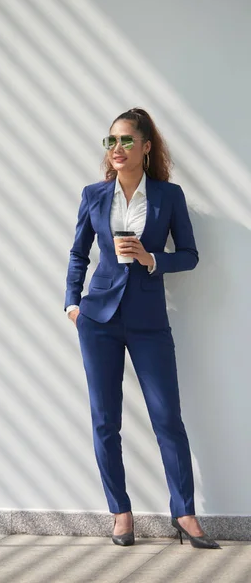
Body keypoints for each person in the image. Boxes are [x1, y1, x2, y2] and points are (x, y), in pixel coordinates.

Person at [64, 108, 221, 549]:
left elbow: (189, 254)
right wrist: (72, 305)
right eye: (111, 141)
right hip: (98, 322)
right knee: (105, 421)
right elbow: (78, 254)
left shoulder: (168, 197)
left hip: (150, 323)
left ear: (146, 146)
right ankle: (120, 513)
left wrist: (153, 259)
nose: (117, 148)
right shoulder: (93, 195)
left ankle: (184, 513)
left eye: (127, 140)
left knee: (168, 418)